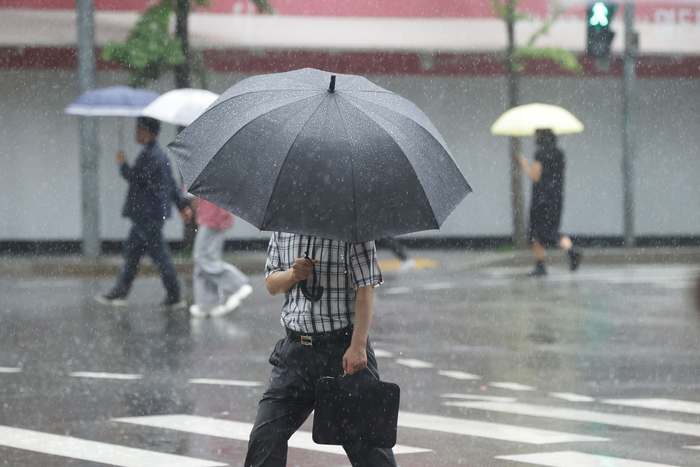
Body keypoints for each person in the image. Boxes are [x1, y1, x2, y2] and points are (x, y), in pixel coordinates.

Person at [244, 232, 396, 467]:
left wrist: (358, 345)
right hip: (293, 354)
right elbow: (272, 284)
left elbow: (365, 288)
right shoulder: (283, 227)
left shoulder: (353, 230)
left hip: (342, 351)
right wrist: (293, 274)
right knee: (265, 438)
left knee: (370, 450)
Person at [96, 117, 193, 309]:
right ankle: (122, 292)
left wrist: (123, 164)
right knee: (133, 254)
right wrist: (181, 206)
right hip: (147, 215)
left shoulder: (152, 156)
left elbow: (137, 178)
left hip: (148, 216)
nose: (136, 133)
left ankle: (173, 294)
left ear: (148, 132)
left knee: (160, 256)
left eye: (139, 129)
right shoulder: (156, 154)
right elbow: (171, 183)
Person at [518, 128, 582, 277]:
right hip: (556, 198)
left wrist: (524, 164)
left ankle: (541, 266)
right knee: (552, 229)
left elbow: (535, 176)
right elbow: (564, 175)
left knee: (537, 232)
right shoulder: (560, 153)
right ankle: (571, 249)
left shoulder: (539, 153)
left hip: (540, 199)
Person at [189, 197, 253, 318]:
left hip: (212, 214)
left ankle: (237, 285)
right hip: (212, 213)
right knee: (205, 260)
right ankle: (208, 304)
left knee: (203, 257)